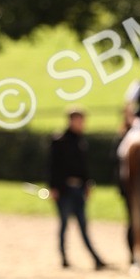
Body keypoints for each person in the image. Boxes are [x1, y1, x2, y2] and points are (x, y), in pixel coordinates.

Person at [48, 109, 107, 269]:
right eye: (79, 121)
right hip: (64, 190)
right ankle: (64, 258)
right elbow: (53, 166)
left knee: (82, 225)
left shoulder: (81, 141)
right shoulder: (59, 140)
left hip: (78, 190)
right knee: (64, 224)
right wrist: (54, 188)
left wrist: (87, 184)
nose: (82, 124)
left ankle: (95, 259)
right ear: (71, 121)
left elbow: (83, 167)